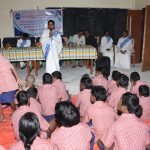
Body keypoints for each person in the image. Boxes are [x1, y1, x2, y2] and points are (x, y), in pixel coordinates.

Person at [0, 54, 21, 122]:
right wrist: (17, 78)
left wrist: (18, 79)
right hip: (10, 83)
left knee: (10, 100)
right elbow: (13, 68)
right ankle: (3, 116)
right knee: (10, 99)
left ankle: (2, 116)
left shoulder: (2, 60)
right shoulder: (5, 60)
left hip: (7, 84)